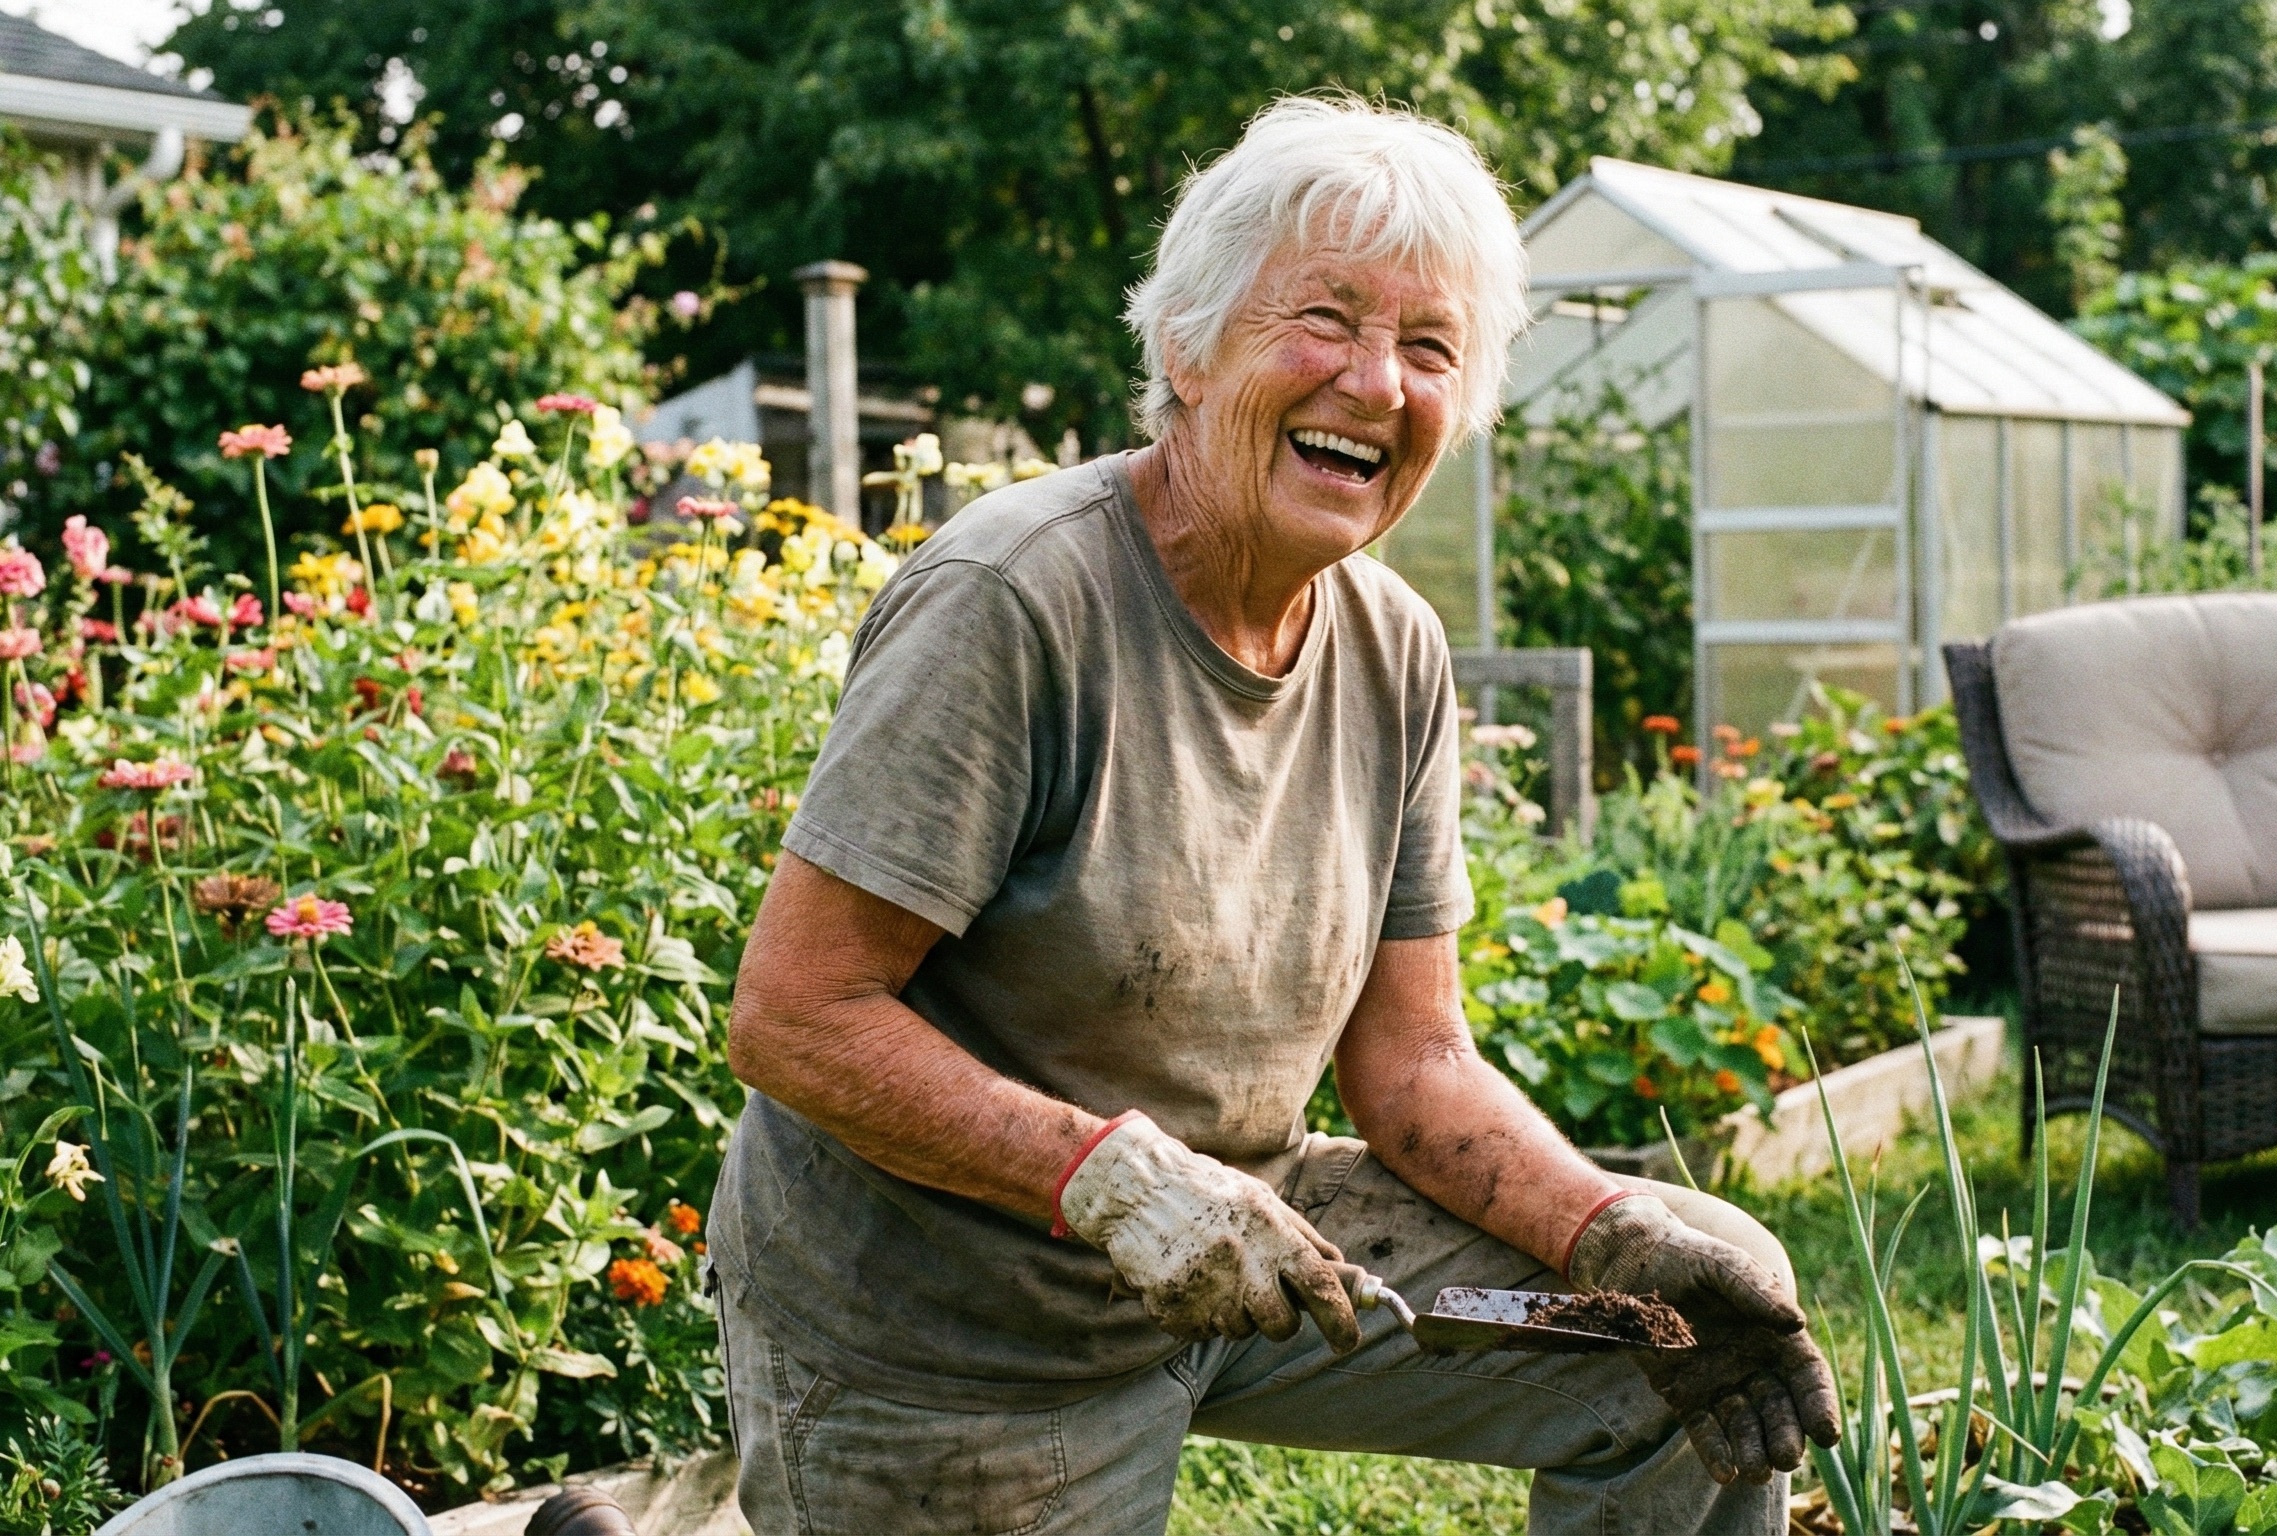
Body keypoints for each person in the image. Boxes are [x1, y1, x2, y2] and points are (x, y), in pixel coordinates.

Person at [710, 95, 1839, 1536]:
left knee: (1684, 1313)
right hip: (953, 1333)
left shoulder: (1392, 647)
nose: (1375, 382)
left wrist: (1605, 1230)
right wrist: (1105, 1178)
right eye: (1324, 319)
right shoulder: (1017, 598)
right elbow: (796, 1017)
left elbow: (1417, 1065)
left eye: (1430, 349)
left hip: (1251, 1237)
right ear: (1185, 346)